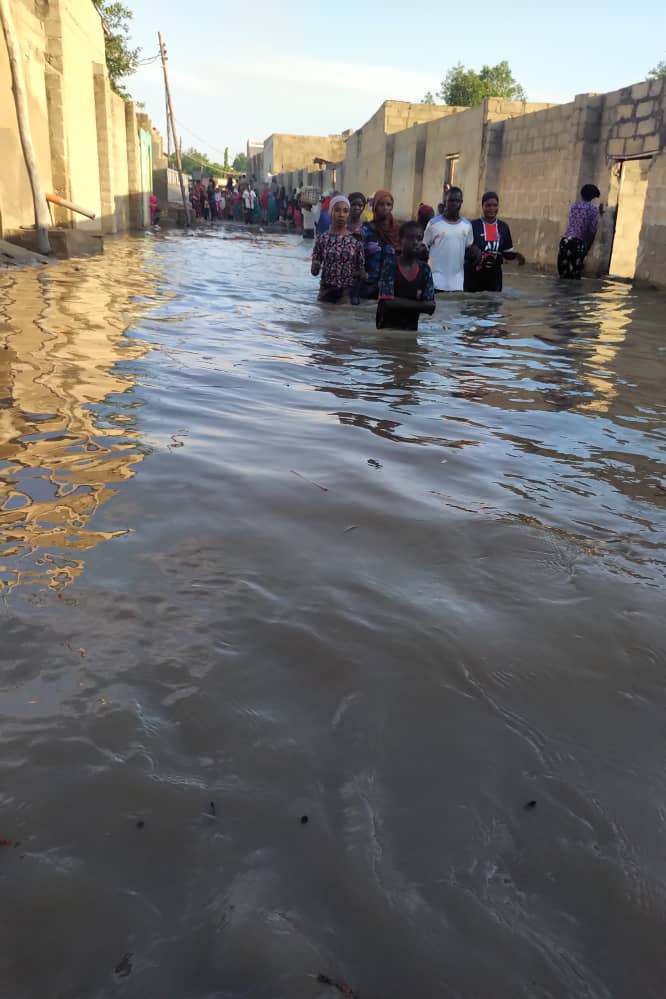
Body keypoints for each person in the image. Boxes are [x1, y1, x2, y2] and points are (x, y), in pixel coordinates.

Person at [376, 221, 436, 331]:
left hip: (411, 331)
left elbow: (431, 306)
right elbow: (386, 302)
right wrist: (420, 305)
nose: (415, 242)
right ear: (400, 240)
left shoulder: (425, 270)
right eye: (410, 238)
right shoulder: (390, 264)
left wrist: (397, 301)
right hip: (387, 330)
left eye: (419, 238)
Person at [464, 192, 526, 292]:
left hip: (494, 277)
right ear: (482, 206)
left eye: (495, 205)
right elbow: (466, 250)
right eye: (488, 205)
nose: (492, 208)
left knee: (493, 304)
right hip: (474, 275)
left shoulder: (503, 227)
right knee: (473, 304)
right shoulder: (473, 225)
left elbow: (506, 252)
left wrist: (516, 256)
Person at [311, 195, 365, 304]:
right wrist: (315, 265)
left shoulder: (355, 241)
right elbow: (314, 272)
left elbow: (360, 270)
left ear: (348, 214)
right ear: (330, 212)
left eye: (345, 211)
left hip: (345, 294)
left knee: (342, 318)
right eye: (337, 210)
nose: (341, 215)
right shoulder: (322, 239)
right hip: (326, 292)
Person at [423, 186, 474, 292]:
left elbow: (468, 249)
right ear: (445, 202)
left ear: (461, 203)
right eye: (451, 200)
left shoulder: (467, 225)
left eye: (457, 201)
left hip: (457, 284)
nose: (454, 204)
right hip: (435, 282)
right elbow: (424, 248)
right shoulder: (433, 224)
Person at [359, 189, 401, 299]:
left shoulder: (398, 230)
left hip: (391, 285)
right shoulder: (366, 229)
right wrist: (362, 272)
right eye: (381, 204)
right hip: (369, 284)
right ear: (375, 206)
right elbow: (357, 254)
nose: (385, 207)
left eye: (388, 204)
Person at [558, 184, 602, 279]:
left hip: (565, 241)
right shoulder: (594, 209)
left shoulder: (574, 206)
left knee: (563, 274)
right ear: (593, 196)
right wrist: (587, 246)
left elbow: (573, 222)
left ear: (582, 194)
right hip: (578, 243)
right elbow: (591, 230)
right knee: (575, 275)